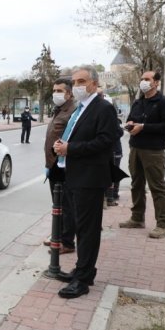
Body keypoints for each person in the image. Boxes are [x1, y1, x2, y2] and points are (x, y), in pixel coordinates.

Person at [52, 65, 120, 299]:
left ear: (93, 83)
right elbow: (74, 135)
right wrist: (62, 145)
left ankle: (82, 280)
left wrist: (71, 148)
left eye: (81, 81)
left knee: (88, 230)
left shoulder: (103, 108)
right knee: (81, 227)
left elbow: (106, 141)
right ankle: (83, 270)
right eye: (75, 82)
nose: (77, 86)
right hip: (74, 175)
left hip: (90, 178)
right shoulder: (80, 108)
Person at [118, 71, 165, 238]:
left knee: (157, 187)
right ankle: (137, 218)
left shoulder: (164, 102)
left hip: (154, 151)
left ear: (156, 82)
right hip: (135, 148)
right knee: (136, 184)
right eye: (142, 79)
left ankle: (163, 225)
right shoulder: (138, 102)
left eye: (147, 79)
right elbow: (131, 119)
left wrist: (143, 127)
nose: (143, 82)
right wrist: (129, 124)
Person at [43, 77, 76, 254]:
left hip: (64, 164)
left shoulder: (73, 111)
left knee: (66, 205)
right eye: (54, 90)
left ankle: (67, 242)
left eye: (59, 91)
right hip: (54, 164)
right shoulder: (60, 110)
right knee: (58, 204)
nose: (55, 94)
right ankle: (58, 235)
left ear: (69, 93)